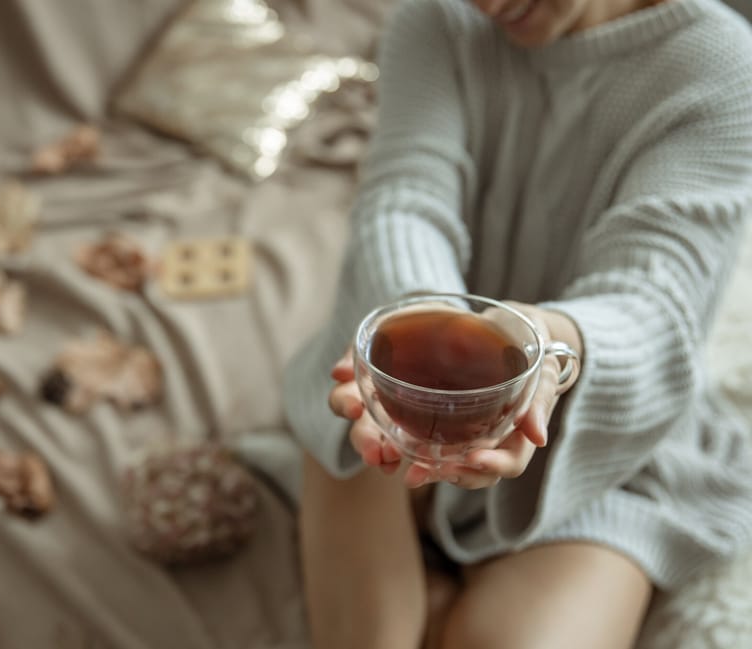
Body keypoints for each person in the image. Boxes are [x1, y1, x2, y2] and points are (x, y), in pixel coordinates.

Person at [282, 0, 752, 646]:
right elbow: (404, 201)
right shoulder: (436, 21)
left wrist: (538, 352)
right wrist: (441, 353)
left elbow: (653, 302)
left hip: (608, 420)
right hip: (400, 388)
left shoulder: (720, 64)